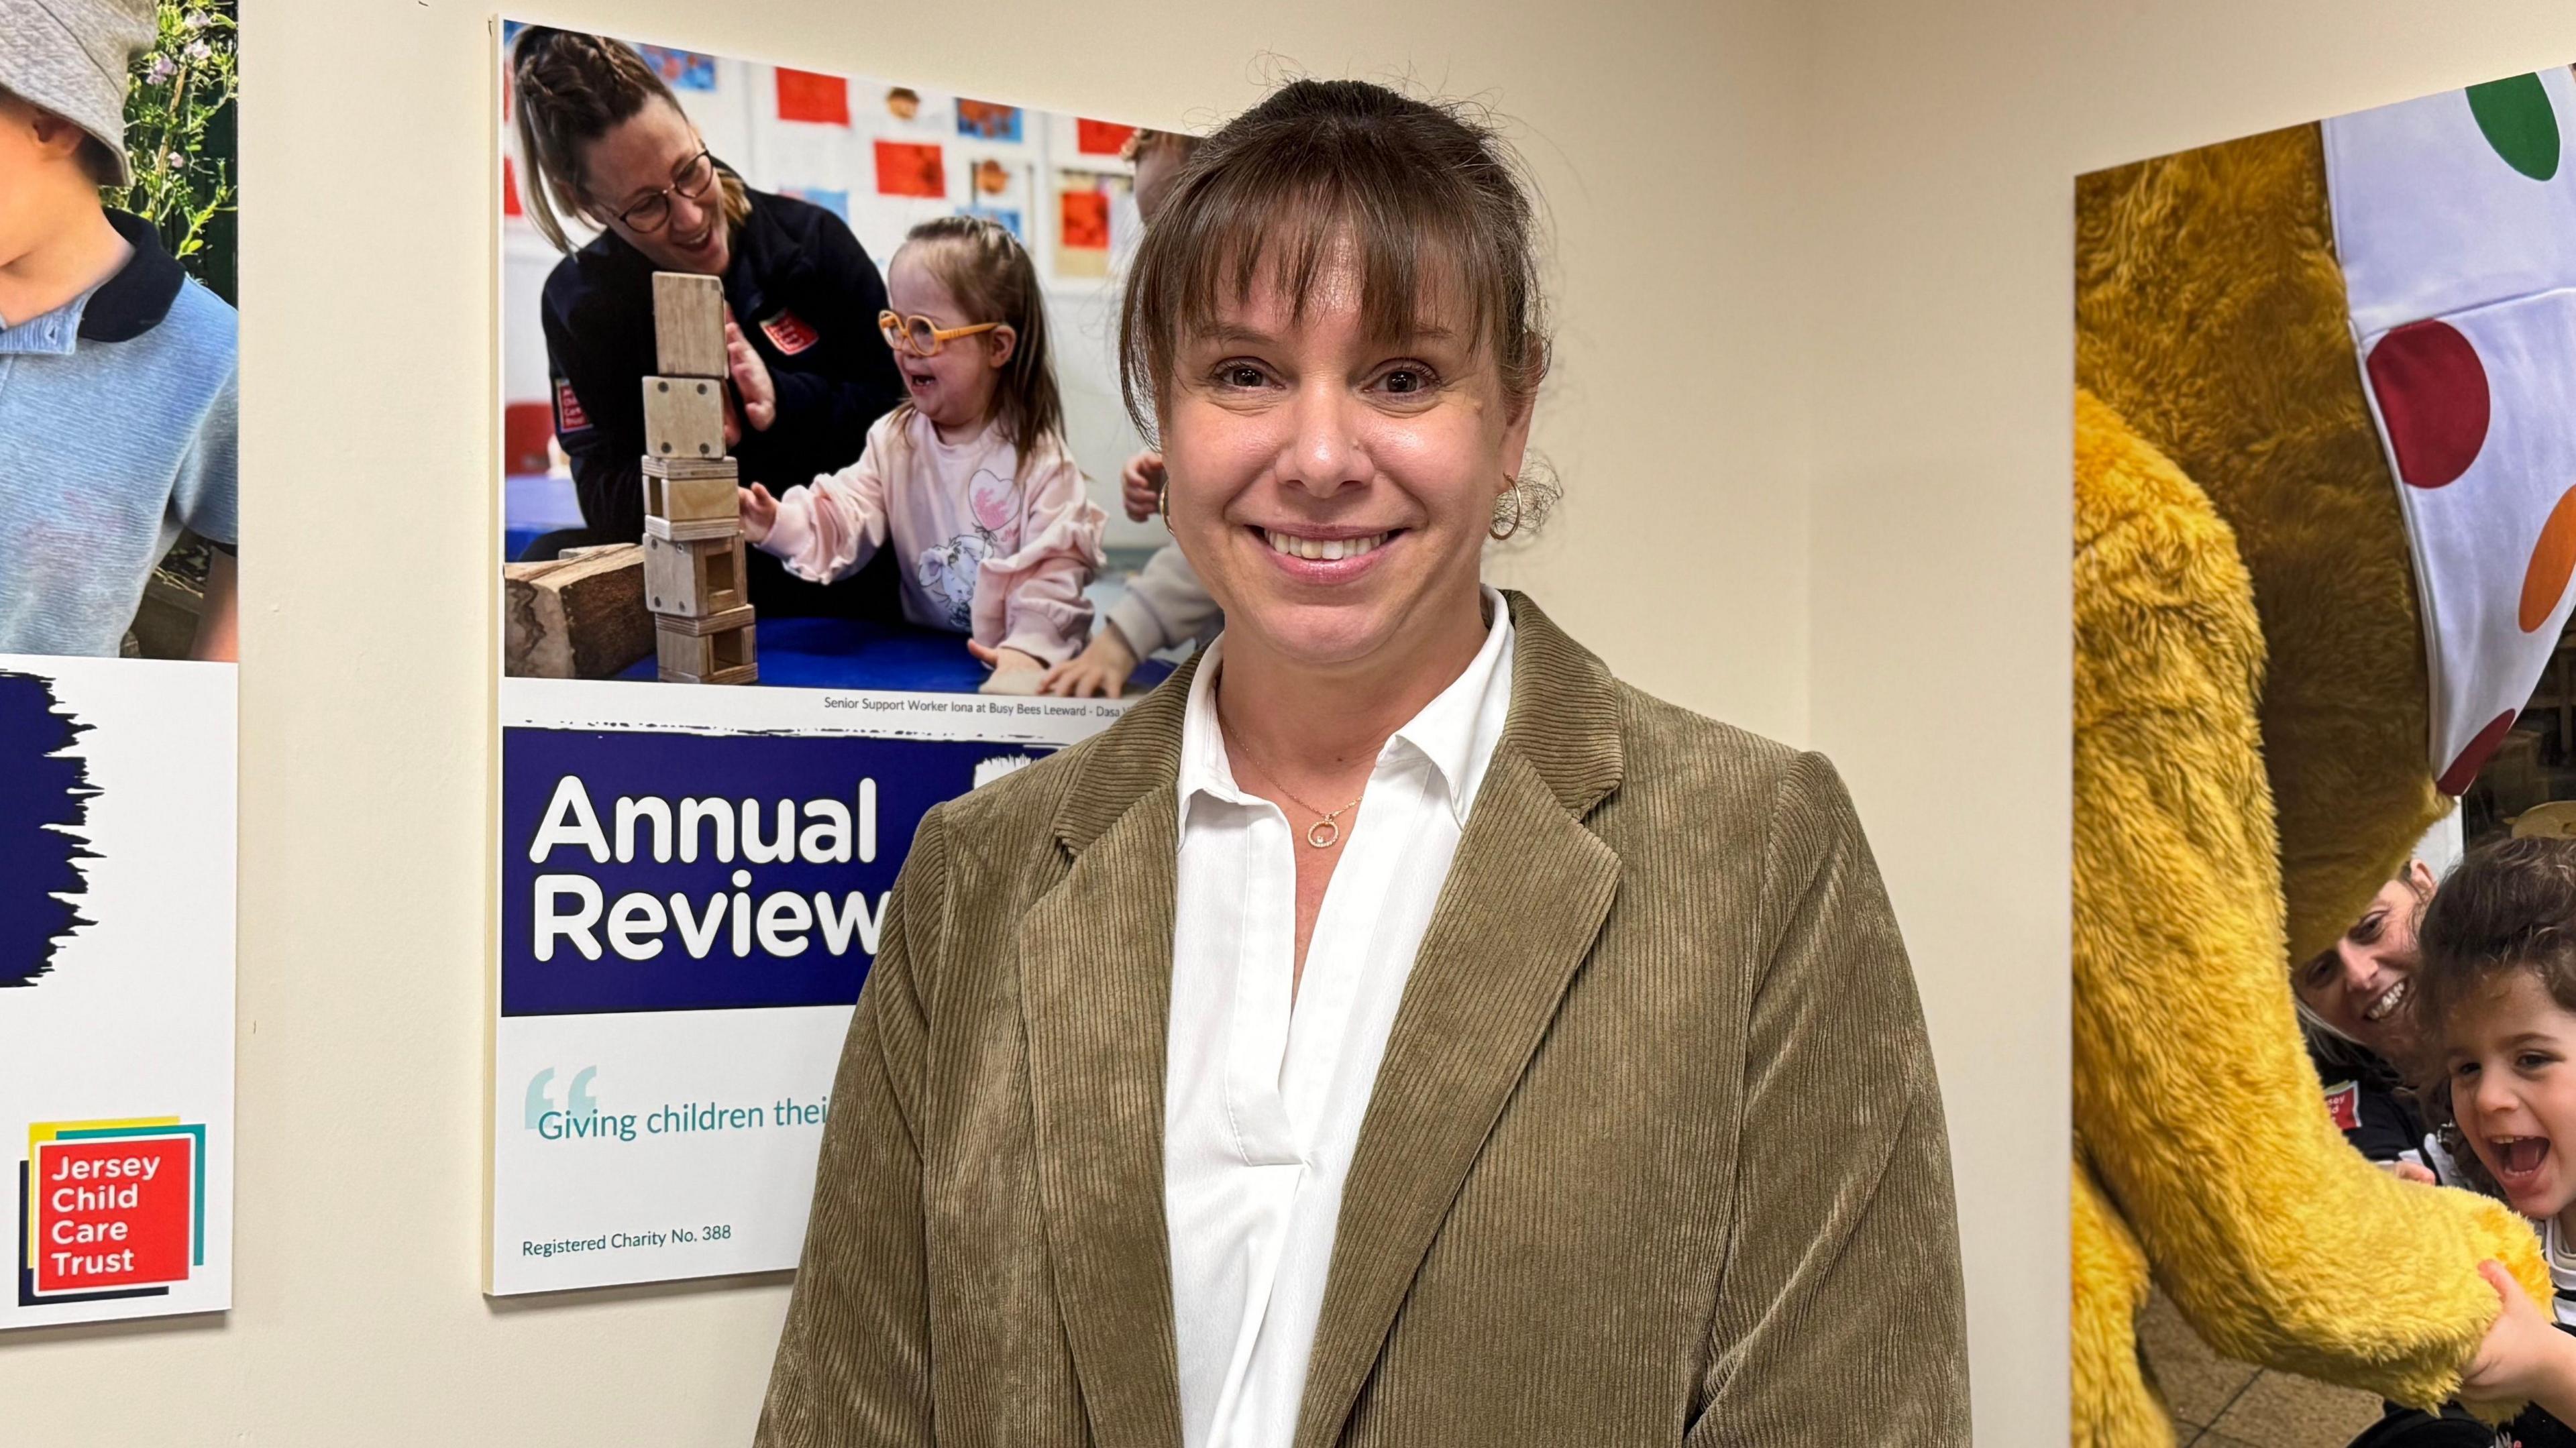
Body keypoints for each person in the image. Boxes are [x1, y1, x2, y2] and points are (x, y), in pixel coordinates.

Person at [757, 79, 1970, 1445]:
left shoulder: (1754, 856)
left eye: (1401, 376)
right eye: (1246, 372)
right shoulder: (977, 883)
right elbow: (848, 1410)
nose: (1321, 456)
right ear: (1165, 410)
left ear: (1510, 414)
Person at [510, 27, 906, 620]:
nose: (692, 217)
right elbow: (602, 494)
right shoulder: (578, 304)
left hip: (836, 563)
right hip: (688, 579)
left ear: (695, 131)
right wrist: (692, 458)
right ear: (587, 203)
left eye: (690, 170)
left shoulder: (813, 243)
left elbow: (902, 426)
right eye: (645, 205)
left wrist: (778, 402)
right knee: (538, 568)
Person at [741, 217, 1104, 695]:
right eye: (896, 325)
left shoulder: (1039, 461)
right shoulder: (895, 439)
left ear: (997, 346)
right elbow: (847, 511)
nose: (906, 350)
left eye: (926, 331)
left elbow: (1053, 571)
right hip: (930, 654)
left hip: (1028, 659)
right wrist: (777, 522)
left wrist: (1027, 653)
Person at [0, 0, 236, 661]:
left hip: (43, 758)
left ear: (51, 118)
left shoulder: (210, 358)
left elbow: (266, 568)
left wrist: (198, 749)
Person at [1040, 127, 1223, 698]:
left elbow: (1223, 538)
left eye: (1185, 227)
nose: (1168, 260)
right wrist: (1178, 479)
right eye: (1155, 233)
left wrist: (1120, 642)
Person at [2410, 837, 2576, 1442]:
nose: (2487, 1099)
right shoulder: (2475, 1182)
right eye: (2467, 1068)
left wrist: (2549, 1365)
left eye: (2531, 1058)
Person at [2295, 860, 2454, 1183]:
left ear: (2423, 885)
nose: (2359, 975)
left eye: (2371, 927)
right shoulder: (2319, 1096)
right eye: (2322, 970)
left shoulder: (2533, 978)